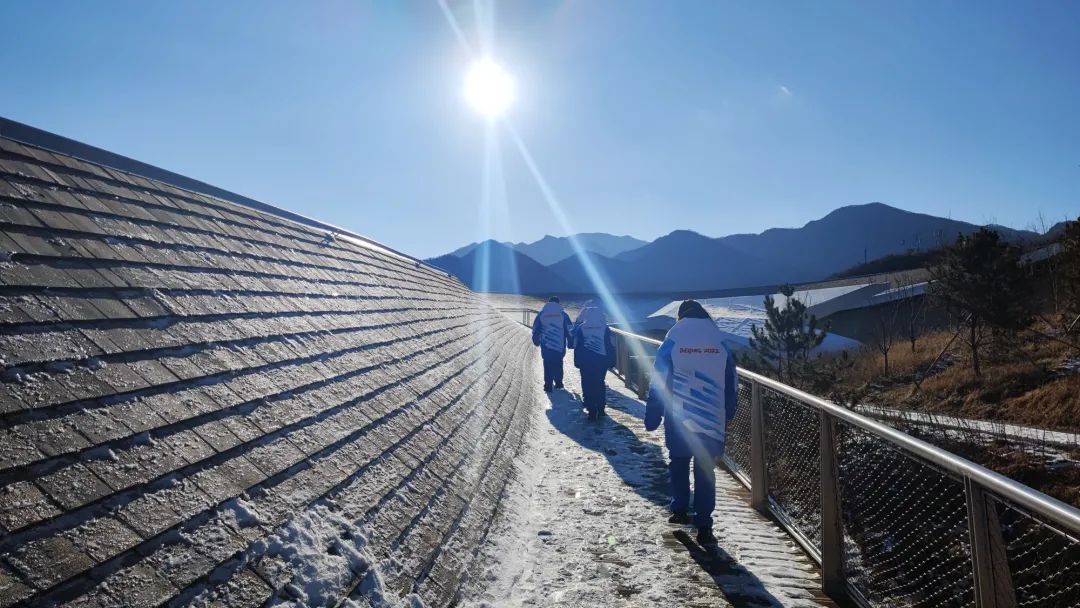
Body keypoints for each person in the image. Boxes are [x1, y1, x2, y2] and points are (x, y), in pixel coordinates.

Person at [644, 300, 737, 547]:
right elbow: (731, 379)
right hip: (712, 417)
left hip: (680, 416)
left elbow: (659, 379)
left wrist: (653, 411)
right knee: (705, 470)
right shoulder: (719, 341)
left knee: (679, 464)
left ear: (681, 317)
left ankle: (680, 509)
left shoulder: (673, 340)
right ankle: (704, 522)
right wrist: (729, 410)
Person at [572, 304, 615, 420]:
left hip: (585, 361)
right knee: (600, 383)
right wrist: (612, 361)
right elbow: (611, 345)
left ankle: (591, 409)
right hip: (601, 360)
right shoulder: (605, 328)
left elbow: (575, 345)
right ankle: (601, 409)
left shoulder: (581, 328)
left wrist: (577, 361)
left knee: (587, 384)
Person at [532, 296, 573, 392]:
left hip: (546, 345)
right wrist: (571, 342)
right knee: (558, 363)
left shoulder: (541, 314)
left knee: (547, 364)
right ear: (558, 303)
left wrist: (536, 340)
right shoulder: (563, 314)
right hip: (559, 345)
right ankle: (558, 383)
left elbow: (535, 329)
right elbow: (570, 330)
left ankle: (548, 385)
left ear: (548, 303)